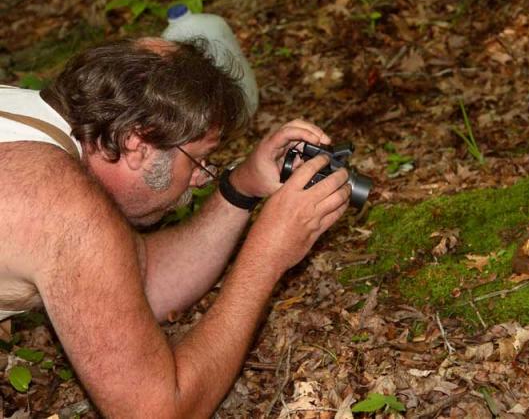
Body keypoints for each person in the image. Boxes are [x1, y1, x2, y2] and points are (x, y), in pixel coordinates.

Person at [0, 36, 351, 416]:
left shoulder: (22, 117)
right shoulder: (60, 203)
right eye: (197, 159)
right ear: (137, 145)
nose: (202, 177)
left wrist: (240, 190)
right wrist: (265, 257)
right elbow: (156, 411)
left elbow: (136, 279)